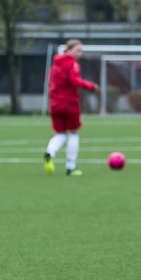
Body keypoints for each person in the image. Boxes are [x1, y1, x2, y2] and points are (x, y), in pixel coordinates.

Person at [43, 39, 98, 177]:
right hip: (69, 104)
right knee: (73, 133)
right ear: (68, 50)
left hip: (55, 104)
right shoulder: (72, 64)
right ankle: (70, 167)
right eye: (77, 50)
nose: (80, 54)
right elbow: (75, 81)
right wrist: (91, 86)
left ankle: (50, 153)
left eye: (81, 51)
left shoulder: (55, 64)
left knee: (60, 134)